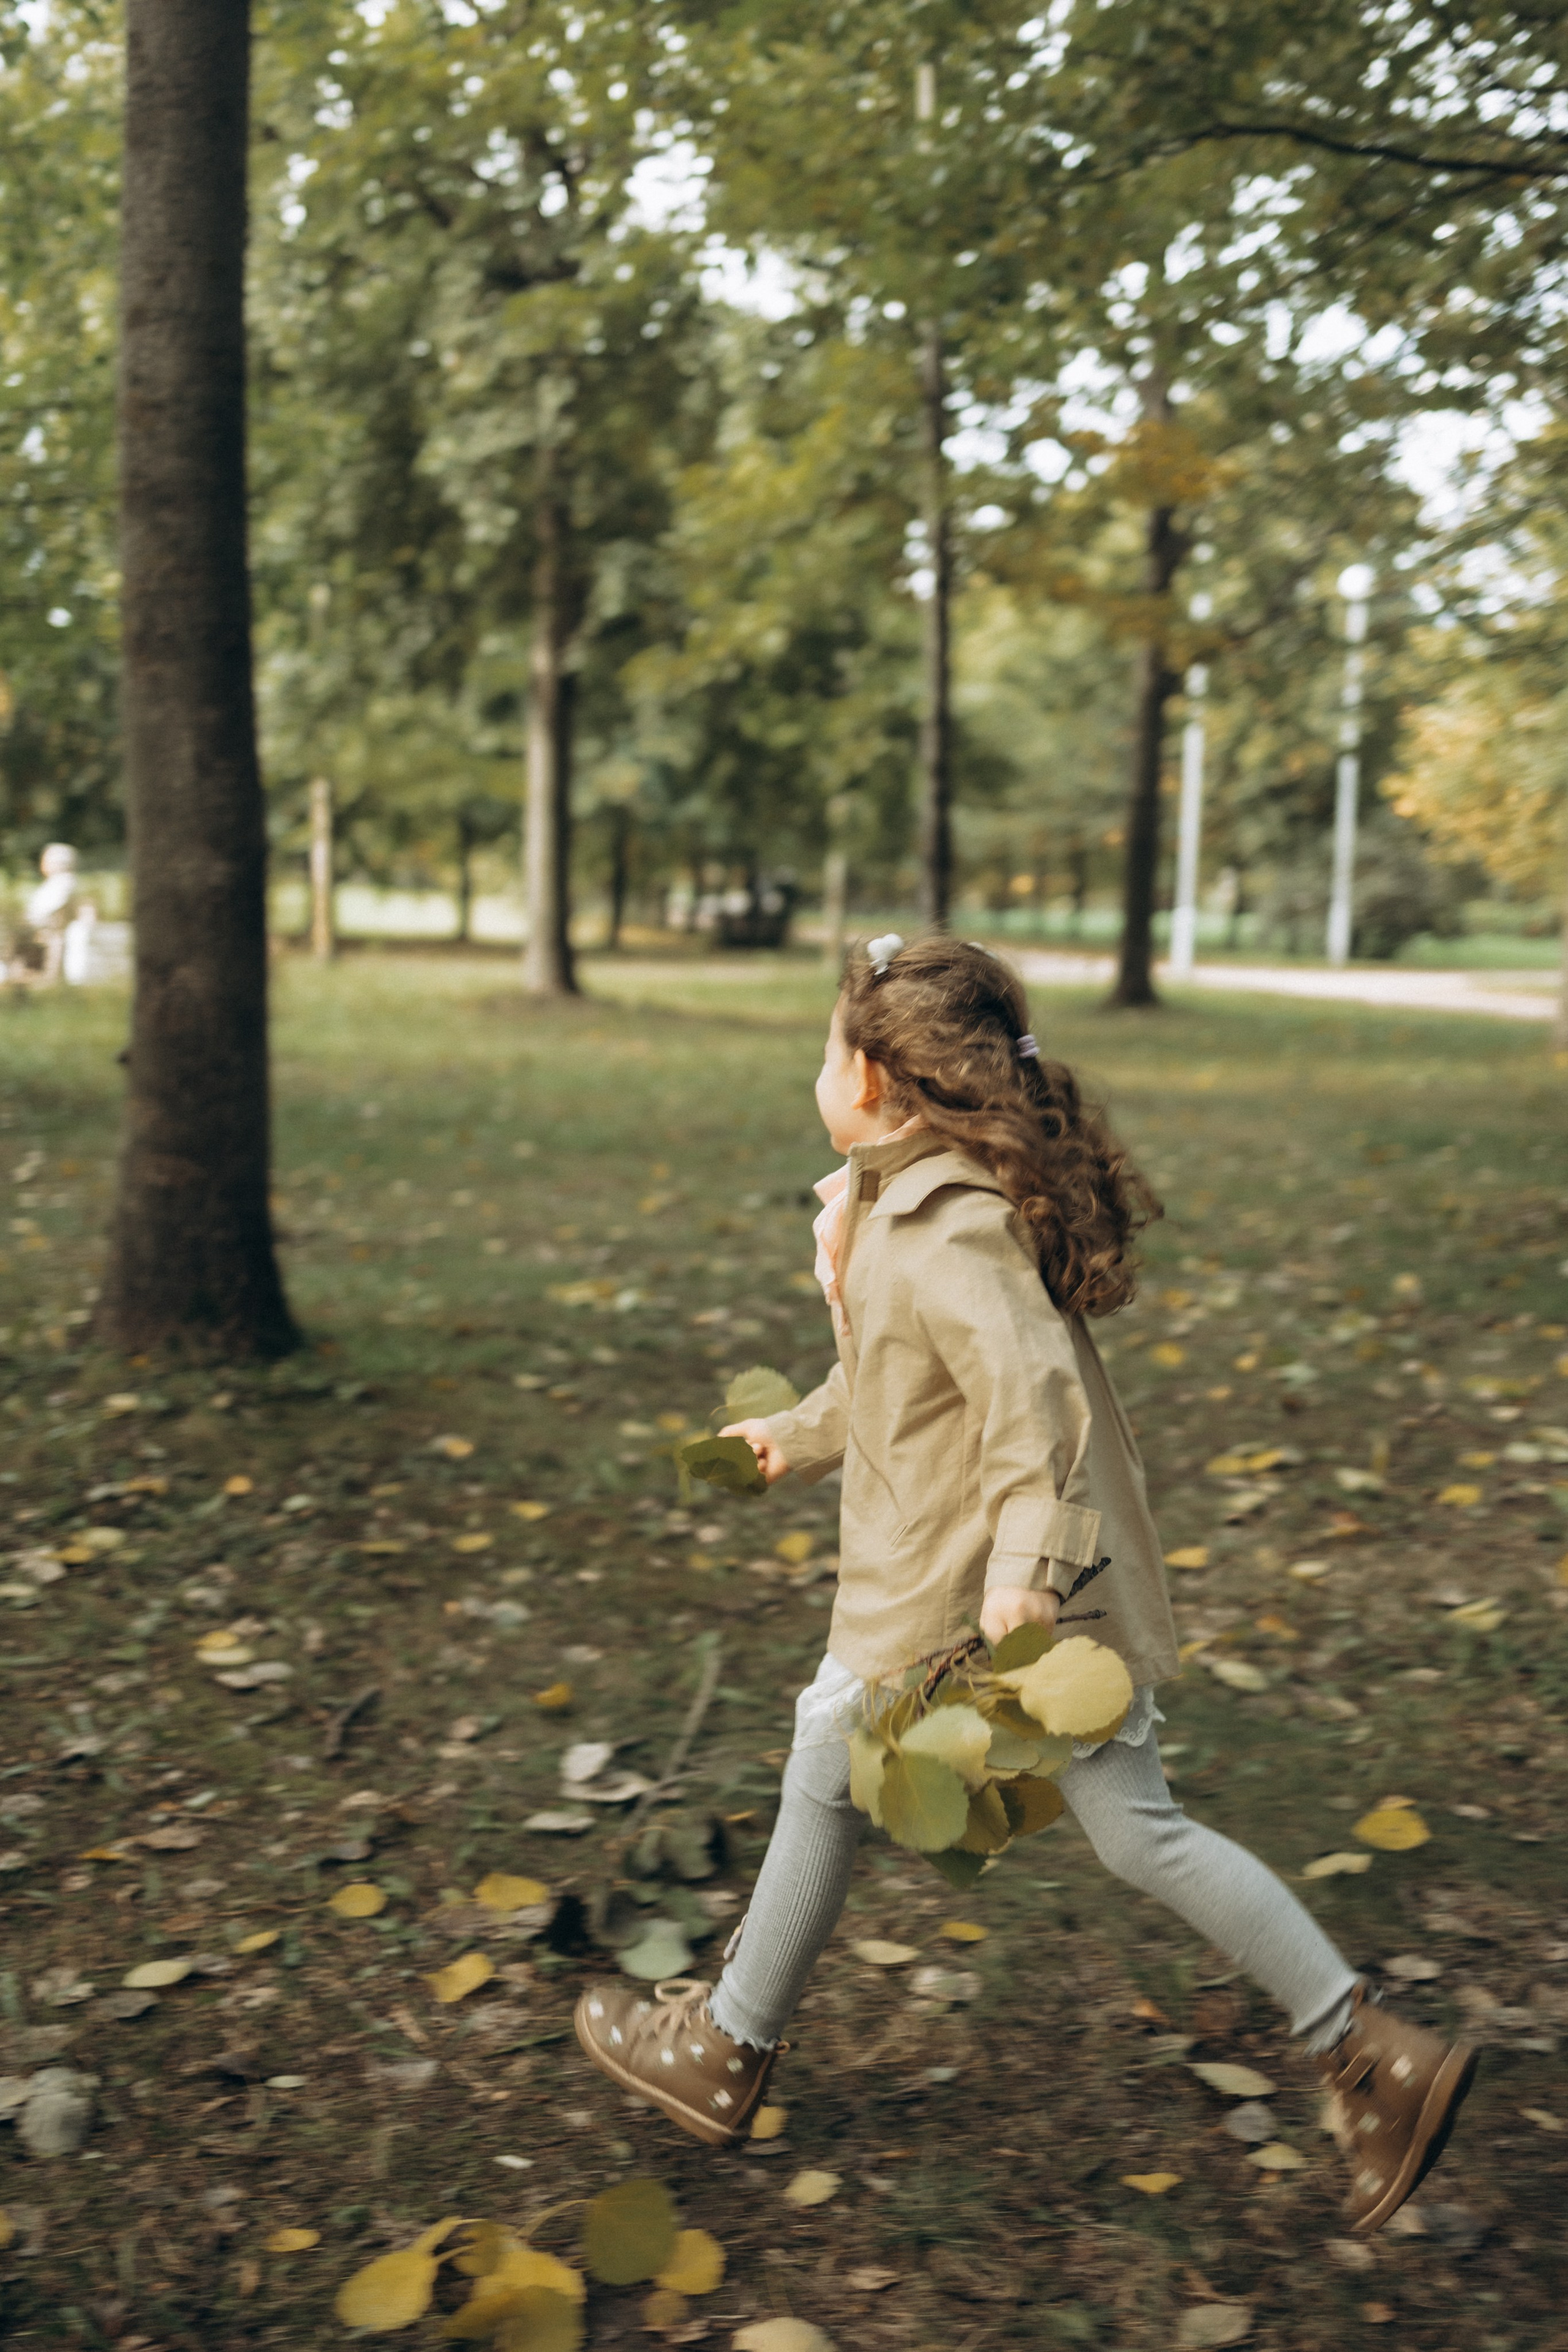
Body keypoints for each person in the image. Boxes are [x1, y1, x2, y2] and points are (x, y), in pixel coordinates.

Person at [575, 933, 1476, 2234]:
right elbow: (898, 1384)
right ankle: (1369, 2054)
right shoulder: (899, 1200)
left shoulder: (947, 1233)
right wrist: (802, 1431)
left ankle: (725, 2045)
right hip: (976, 1581)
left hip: (981, 1599)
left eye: (829, 1048)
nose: (815, 1068)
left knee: (845, 1756)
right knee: (1117, 1826)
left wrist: (1024, 1580)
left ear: (879, 1079)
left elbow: (1030, 1409)